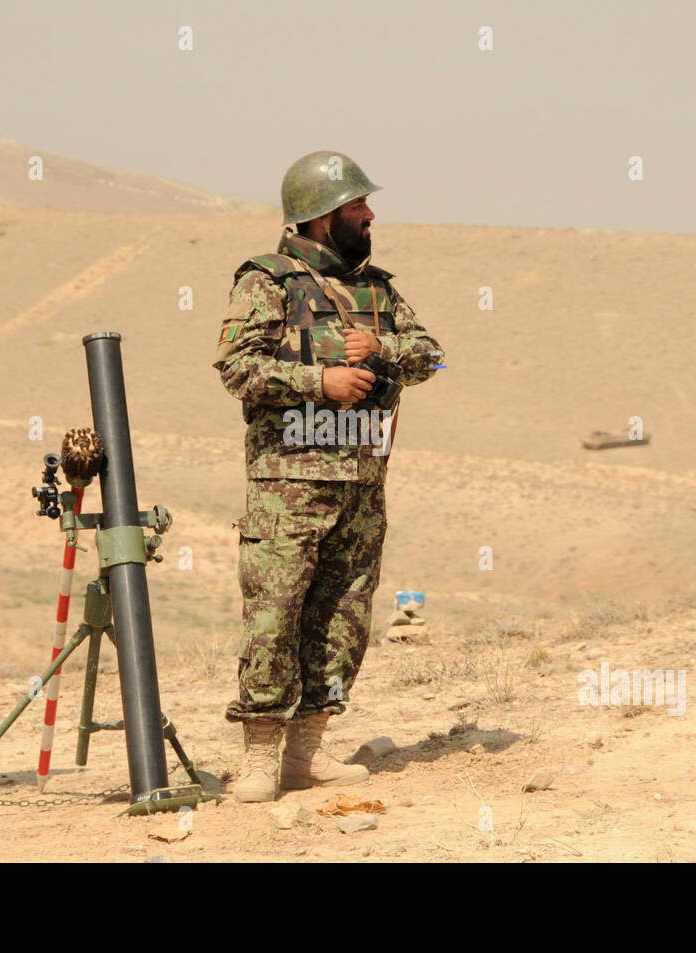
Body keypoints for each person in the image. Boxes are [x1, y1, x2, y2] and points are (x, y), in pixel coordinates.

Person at [212, 151, 443, 802]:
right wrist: (321, 380)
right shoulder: (267, 282)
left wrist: (385, 350)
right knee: (275, 615)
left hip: (362, 484)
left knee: (342, 616)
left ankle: (307, 753)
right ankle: (260, 756)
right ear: (317, 219)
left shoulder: (378, 290)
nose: (370, 215)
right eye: (355, 207)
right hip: (290, 484)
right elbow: (237, 368)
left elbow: (433, 357)